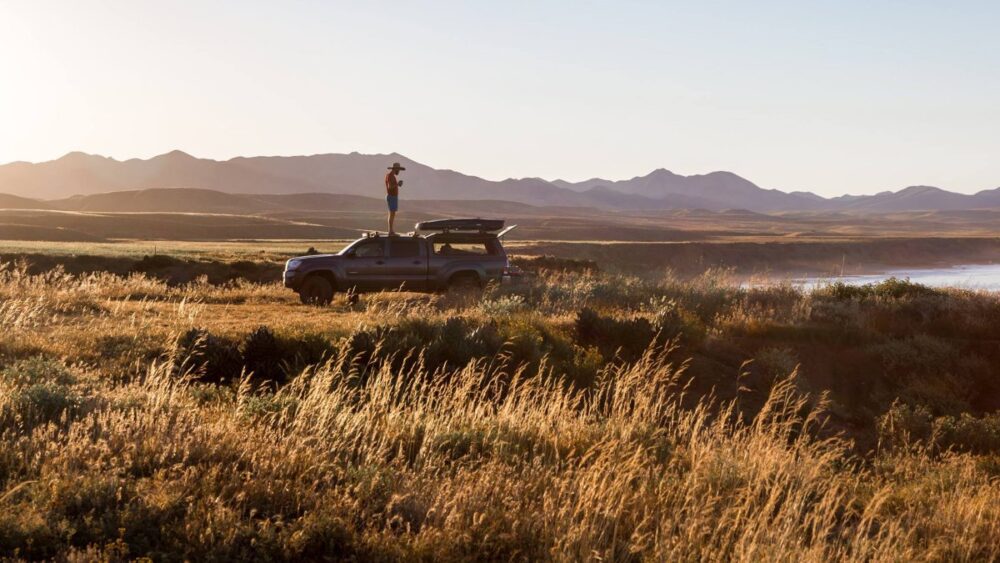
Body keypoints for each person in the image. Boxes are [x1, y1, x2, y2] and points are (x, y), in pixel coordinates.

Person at [385, 162, 405, 234]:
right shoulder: (390, 176)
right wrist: (397, 184)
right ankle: (390, 231)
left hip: (393, 196)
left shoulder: (392, 176)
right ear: (395, 169)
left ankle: (391, 230)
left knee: (392, 214)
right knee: (392, 214)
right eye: (398, 170)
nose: (399, 171)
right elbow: (390, 187)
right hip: (392, 196)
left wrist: (397, 184)